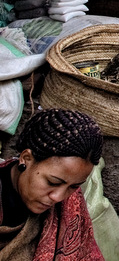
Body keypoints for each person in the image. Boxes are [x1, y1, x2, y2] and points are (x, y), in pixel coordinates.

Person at [0, 109, 104, 259]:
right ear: (26, 158)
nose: (58, 197)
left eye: (74, 186)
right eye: (52, 182)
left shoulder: (70, 205)